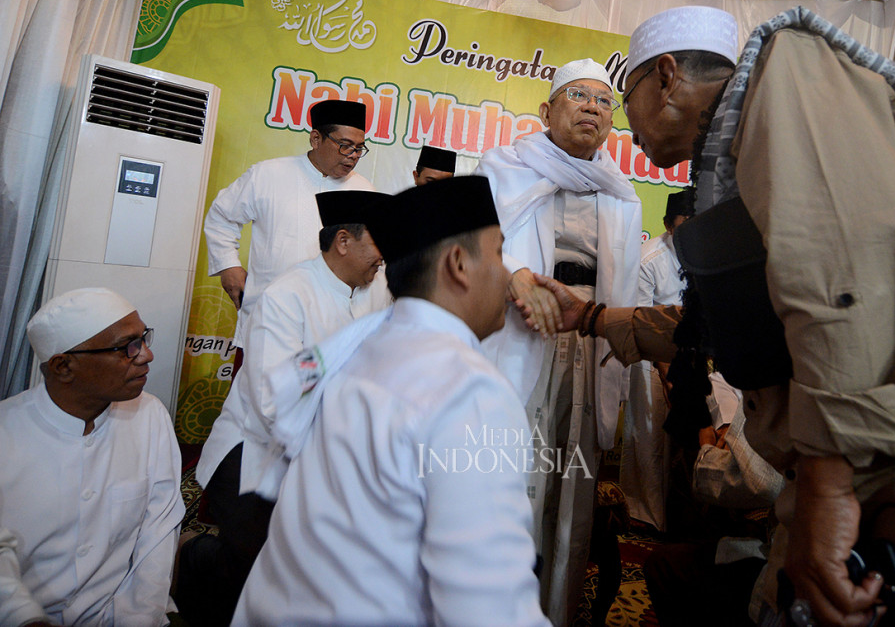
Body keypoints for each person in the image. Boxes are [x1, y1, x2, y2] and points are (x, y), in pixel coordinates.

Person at [532, 5, 895, 626]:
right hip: (869, 448)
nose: (624, 129)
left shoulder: (789, 72)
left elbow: (843, 281)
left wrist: (827, 485)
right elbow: (716, 328)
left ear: (665, 78)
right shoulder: (736, 167)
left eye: (624, 101)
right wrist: (594, 315)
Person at [233, 176, 548, 626]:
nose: (506, 274)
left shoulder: (355, 349)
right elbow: (487, 610)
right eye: (499, 253)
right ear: (458, 264)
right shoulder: (468, 391)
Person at [473, 58, 642, 625]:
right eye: (578, 95)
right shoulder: (502, 168)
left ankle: (555, 611)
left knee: (573, 485)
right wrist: (515, 272)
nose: (593, 106)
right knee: (513, 476)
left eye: (603, 99)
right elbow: (468, 244)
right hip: (522, 332)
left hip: (587, 340)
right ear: (547, 110)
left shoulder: (621, 192)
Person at [177, 190, 391, 626]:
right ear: (344, 242)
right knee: (265, 564)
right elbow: (274, 401)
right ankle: (197, 557)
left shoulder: (376, 291)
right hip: (253, 452)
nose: (384, 258)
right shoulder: (286, 296)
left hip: (323, 451)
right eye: (378, 243)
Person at [0, 288, 183, 626]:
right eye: (127, 347)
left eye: (143, 339)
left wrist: (138, 620)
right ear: (64, 366)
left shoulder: (150, 416)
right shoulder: (6, 434)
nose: (146, 355)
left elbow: (158, 533)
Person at [203, 99, 376, 354]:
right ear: (316, 139)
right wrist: (228, 265)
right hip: (268, 321)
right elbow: (222, 217)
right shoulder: (268, 174)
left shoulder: (364, 191)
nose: (353, 156)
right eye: (345, 146)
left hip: (333, 331)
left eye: (359, 148)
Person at [621, 186, 694, 531]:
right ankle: (645, 513)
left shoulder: (705, 253)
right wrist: (667, 374)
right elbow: (643, 322)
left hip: (689, 354)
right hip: (649, 354)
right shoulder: (649, 259)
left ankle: (678, 513)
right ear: (668, 225)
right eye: (684, 225)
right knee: (650, 432)